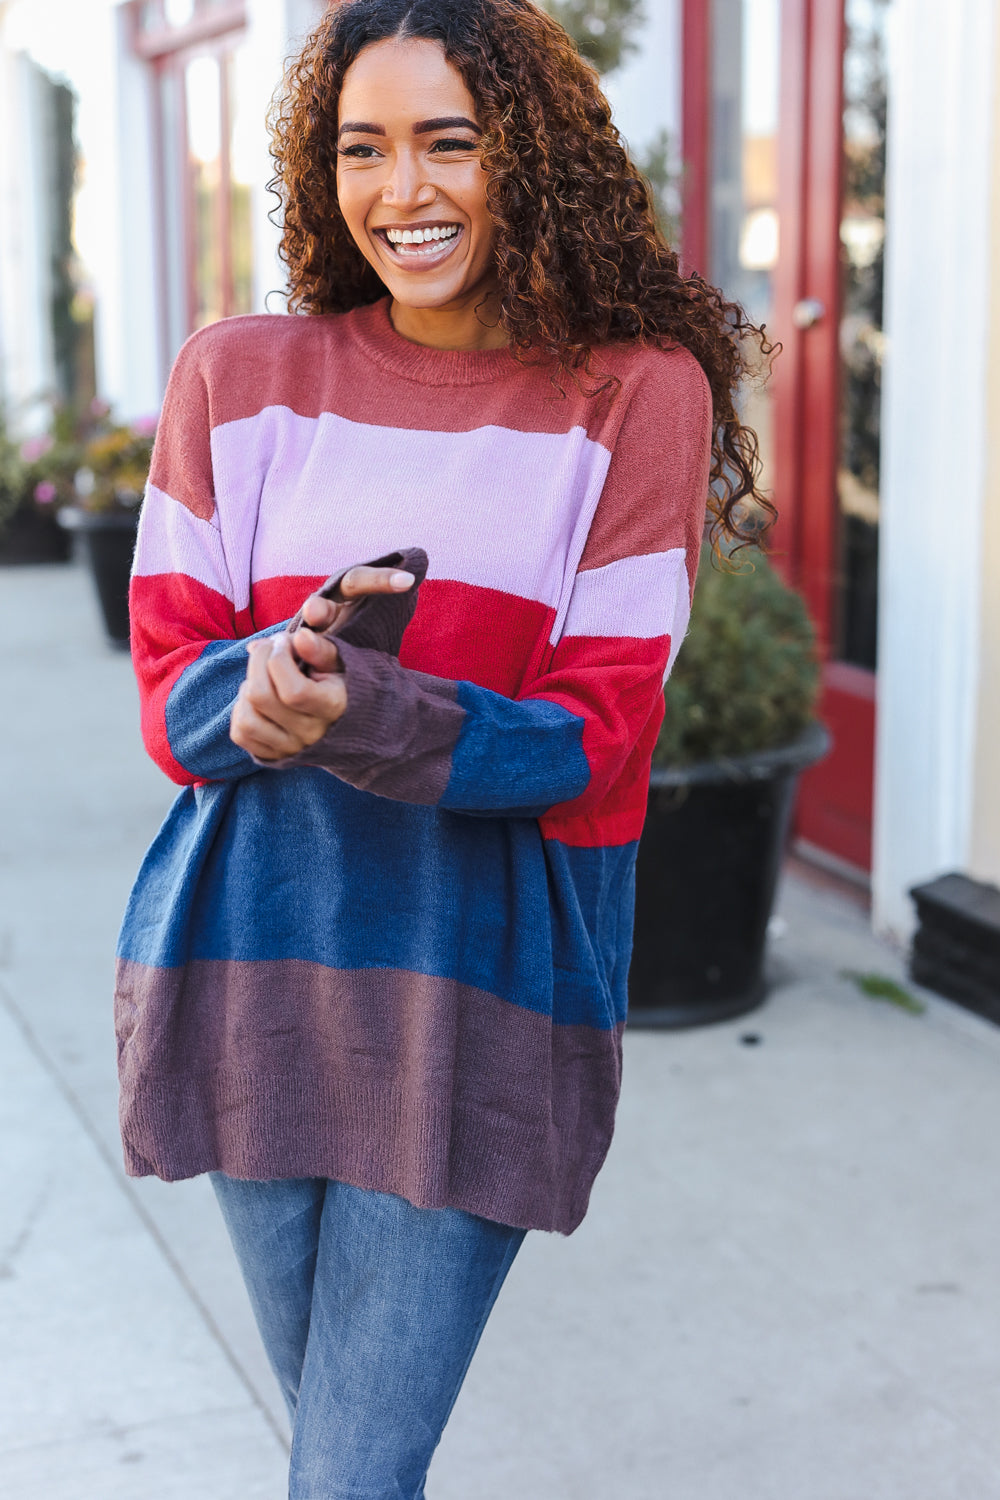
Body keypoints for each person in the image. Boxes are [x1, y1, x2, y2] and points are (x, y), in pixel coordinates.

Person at [115, 1, 772, 1494]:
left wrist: (367, 709)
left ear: (527, 155)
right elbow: (171, 702)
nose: (401, 191)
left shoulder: (631, 397)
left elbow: (591, 740)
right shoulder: (240, 375)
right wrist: (263, 685)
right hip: (247, 961)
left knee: (346, 1471)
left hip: (479, 986)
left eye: (446, 144)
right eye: (363, 149)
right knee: (347, 1460)